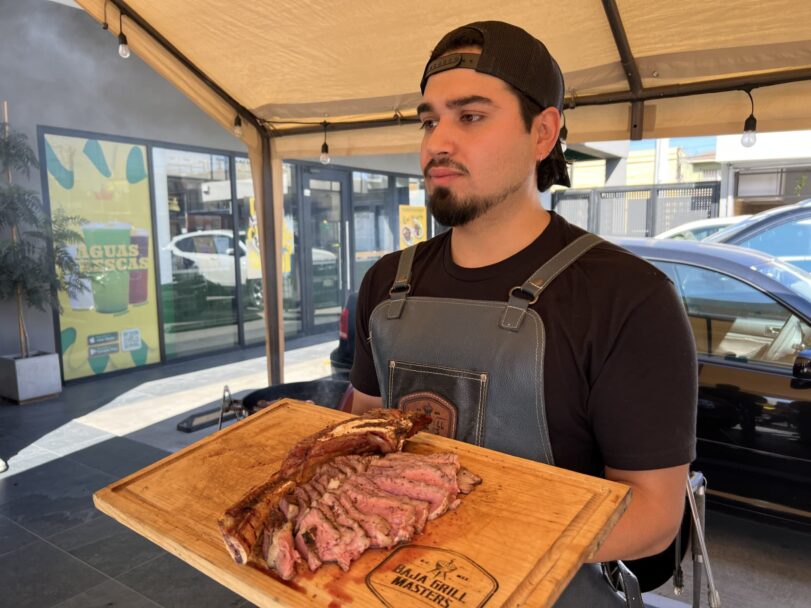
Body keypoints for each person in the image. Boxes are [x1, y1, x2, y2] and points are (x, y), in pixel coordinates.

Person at [349, 21, 696, 606]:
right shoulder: (387, 281)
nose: (437, 142)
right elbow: (361, 432)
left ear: (543, 133)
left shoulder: (628, 298)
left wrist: (473, 541)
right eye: (430, 119)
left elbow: (656, 515)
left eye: (471, 116)